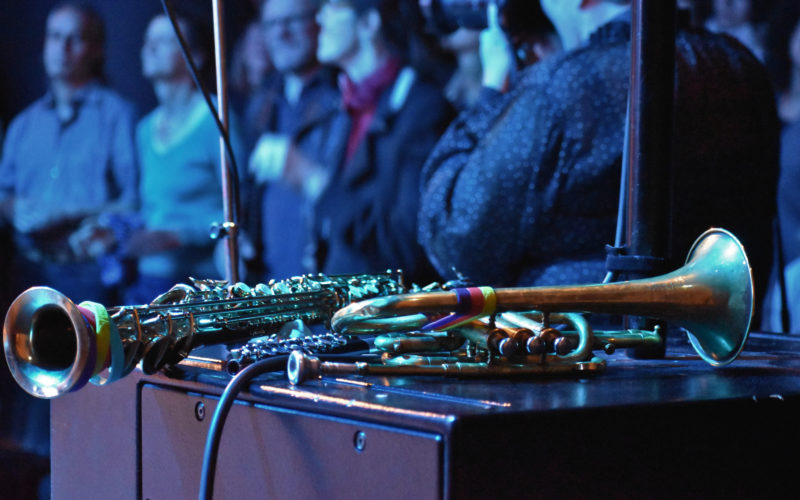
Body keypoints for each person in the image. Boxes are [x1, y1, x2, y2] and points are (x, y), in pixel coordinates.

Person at [418, 0, 778, 306]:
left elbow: (457, 240)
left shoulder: (564, 88)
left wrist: (494, 88)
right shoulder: (739, 65)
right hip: (719, 353)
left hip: (583, 361)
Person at [73, 12, 246, 303]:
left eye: (164, 40)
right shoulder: (144, 129)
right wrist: (112, 232)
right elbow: (150, 209)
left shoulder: (215, 120)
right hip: (148, 283)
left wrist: (177, 235)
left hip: (200, 286)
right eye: (147, 41)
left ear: (196, 56)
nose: (150, 48)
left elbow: (242, 209)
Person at [0, 2, 138, 305]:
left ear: (96, 49)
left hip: (85, 273)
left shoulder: (117, 115)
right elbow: (3, 194)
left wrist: (64, 212)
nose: (62, 48)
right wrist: (14, 207)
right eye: (54, 36)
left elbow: (132, 202)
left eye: (74, 38)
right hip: (25, 270)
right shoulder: (24, 124)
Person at [244, 0, 340, 280]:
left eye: (292, 20)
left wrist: (309, 174)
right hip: (272, 286)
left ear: (318, 20)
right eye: (271, 24)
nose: (281, 33)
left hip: (326, 283)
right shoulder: (262, 102)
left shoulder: (343, 95)